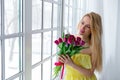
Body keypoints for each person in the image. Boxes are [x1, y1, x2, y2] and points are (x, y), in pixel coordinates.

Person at [59, 12, 103, 80]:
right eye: (82, 23)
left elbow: (90, 73)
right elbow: (64, 61)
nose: (82, 27)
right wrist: (61, 60)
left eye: (88, 26)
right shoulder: (70, 39)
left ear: (93, 30)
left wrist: (72, 64)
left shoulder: (93, 48)